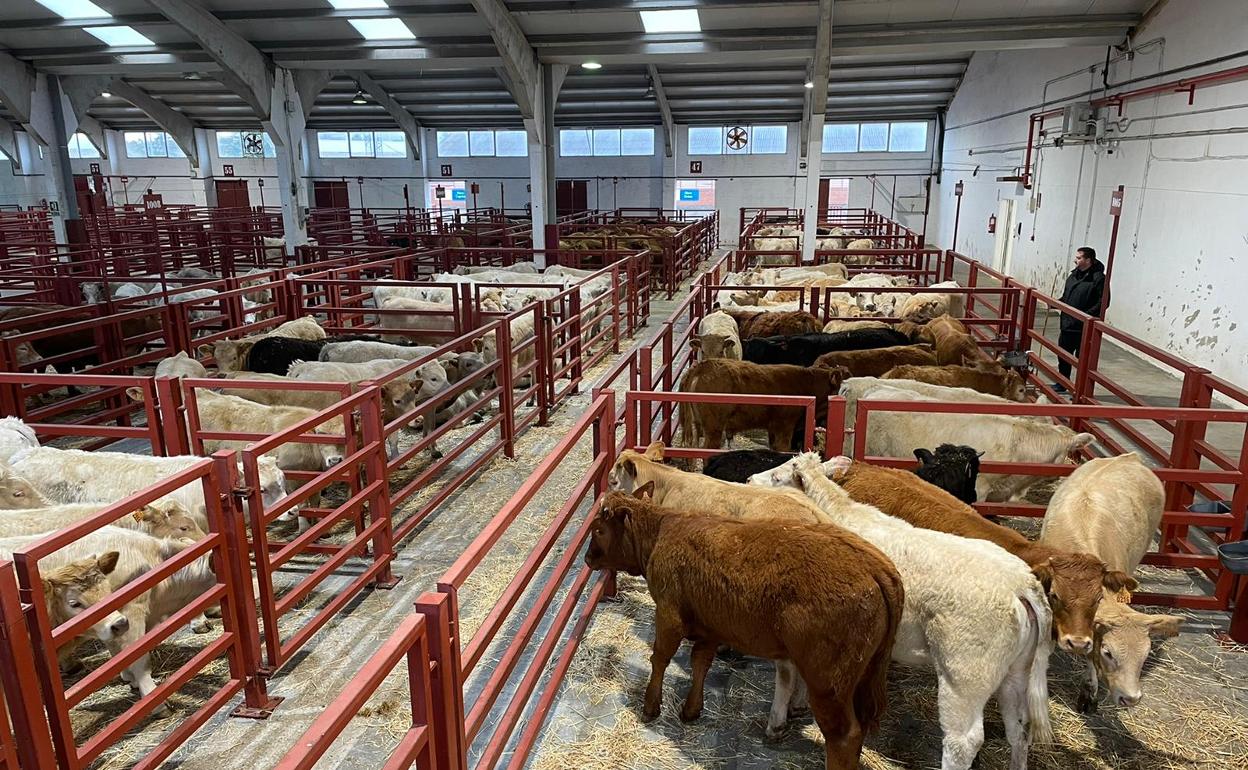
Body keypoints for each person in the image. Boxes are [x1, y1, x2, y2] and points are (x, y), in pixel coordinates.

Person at [1053, 246, 1105, 391]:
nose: (1075, 260)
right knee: (1063, 354)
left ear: (1088, 260)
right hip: (1068, 324)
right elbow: (1067, 296)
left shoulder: (1098, 279)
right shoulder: (1073, 276)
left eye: (1079, 258)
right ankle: (1063, 382)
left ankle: (1080, 389)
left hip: (1085, 327)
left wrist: (1086, 315)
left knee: (1083, 359)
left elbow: (1103, 302)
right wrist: (1056, 303)